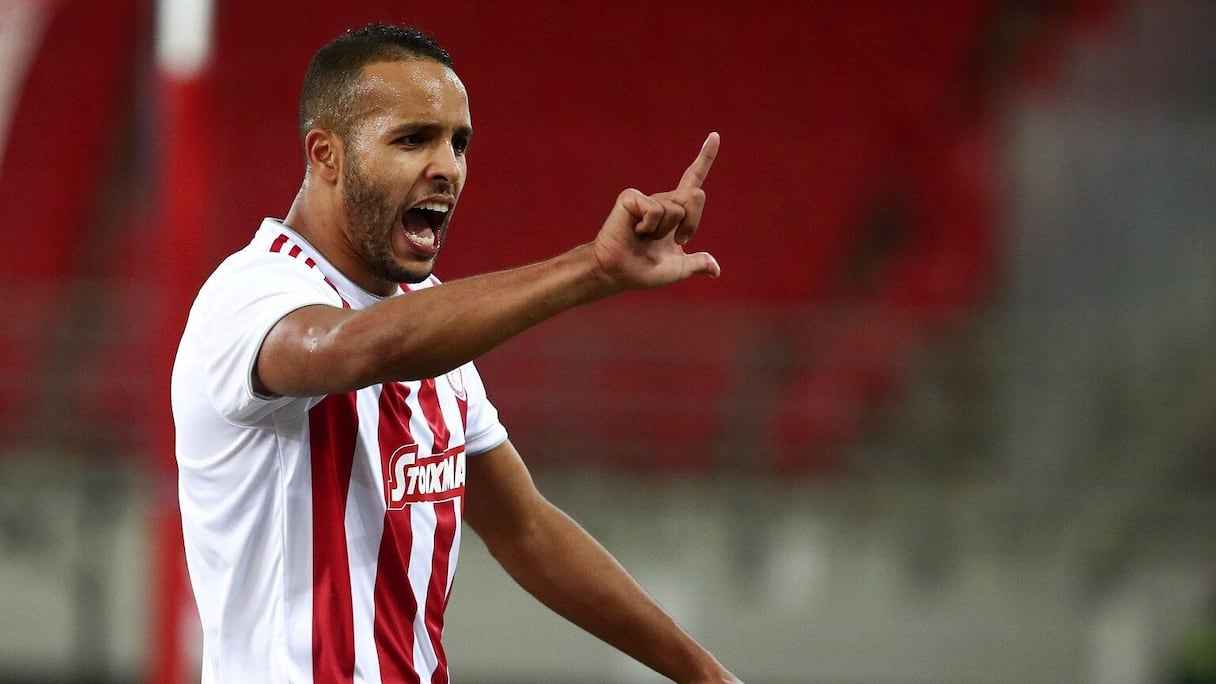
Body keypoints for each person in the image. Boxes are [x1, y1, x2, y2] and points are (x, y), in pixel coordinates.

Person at [171, 23, 739, 684]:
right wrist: (592, 268)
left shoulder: (432, 318)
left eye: (458, 142)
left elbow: (525, 529)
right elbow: (361, 346)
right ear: (327, 155)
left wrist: (705, 674)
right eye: (413, 139)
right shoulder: (250, 295)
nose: (447, 167)